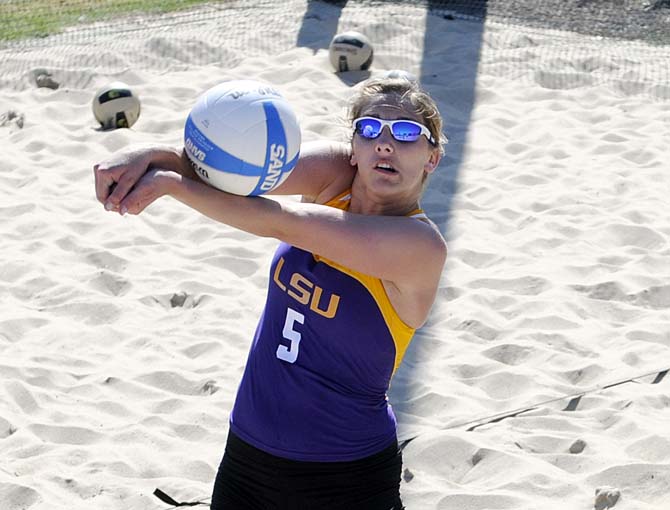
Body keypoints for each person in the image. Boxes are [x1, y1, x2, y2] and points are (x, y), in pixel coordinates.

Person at [94, 77, 447, 510]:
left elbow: (280, 220)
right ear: (354, 148)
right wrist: (148, 154)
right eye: (370, 129)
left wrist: (170, 184)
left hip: (344, 475)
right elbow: (232, 169)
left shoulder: (420, 246)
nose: (386, 144)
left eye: (408, 133)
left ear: (432, 158)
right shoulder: (335, 174)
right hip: (247, 454)